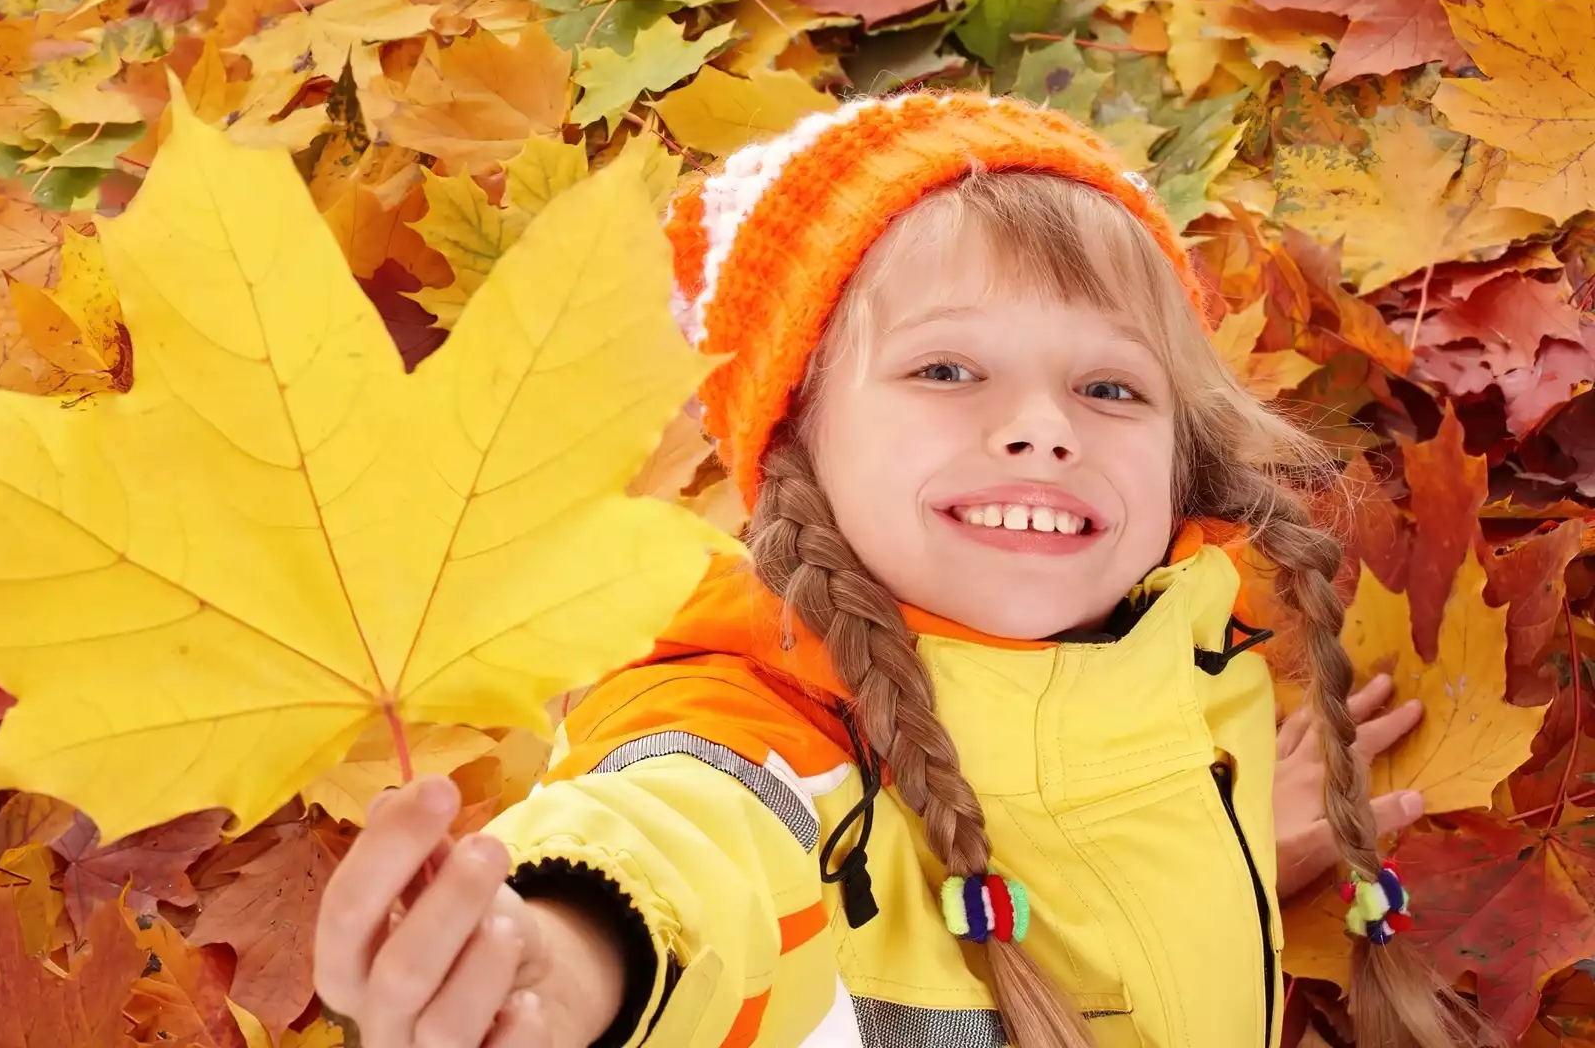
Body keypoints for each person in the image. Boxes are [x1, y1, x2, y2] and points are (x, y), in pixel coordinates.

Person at [313, 92, 1488, 1048]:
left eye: (1110, 388)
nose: (1043, 428)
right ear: (797, 443)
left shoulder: (1184, 645)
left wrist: (1217, 845)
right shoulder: (757, 734)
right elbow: (683, 853)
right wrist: (561, 958)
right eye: (946, 371)